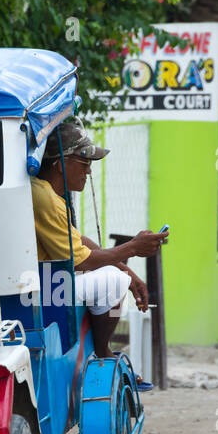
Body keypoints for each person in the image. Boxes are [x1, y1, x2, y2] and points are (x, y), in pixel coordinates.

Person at [30, 117, 168, 358]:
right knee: (114, 281)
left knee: (118, 275)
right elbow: (80, 261)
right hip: (43, 288)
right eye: (84, 163)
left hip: (44, 282)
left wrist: (129, 271)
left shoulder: (43, 191)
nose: (88, 170)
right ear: (61, 164)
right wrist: (133, 248)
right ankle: (103, 351)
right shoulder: (46, 198)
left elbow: (79, 242)